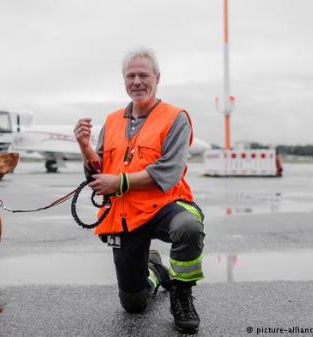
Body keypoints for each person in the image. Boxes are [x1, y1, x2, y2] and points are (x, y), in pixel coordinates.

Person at [73, 47, 206, 334]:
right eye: (130, 76)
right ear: (124, 80)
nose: (137, 81)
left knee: (189, 228)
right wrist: (84, 147)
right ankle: (155, 271)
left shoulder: (176, 117)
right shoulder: (111, 121)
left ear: (157, 78)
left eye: (143, 75)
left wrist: (120, 183)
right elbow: (96, 175)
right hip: (124, 214)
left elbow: (167, 173)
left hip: (165, 205)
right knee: (133, 304)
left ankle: (182, 295)